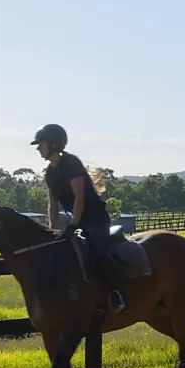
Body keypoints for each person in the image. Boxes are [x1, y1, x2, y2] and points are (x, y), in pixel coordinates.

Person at [32, 123, 126, 312]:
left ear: (53, 144)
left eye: (40, 144)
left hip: (96, 218)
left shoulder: (70, 165)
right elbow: (52, 205)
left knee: (98, 251)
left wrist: (73, 224)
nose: (38, 148)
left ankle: (117, 293)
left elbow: (80, 198)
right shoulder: (50, 172)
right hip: (77, 220)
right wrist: (54, 230)